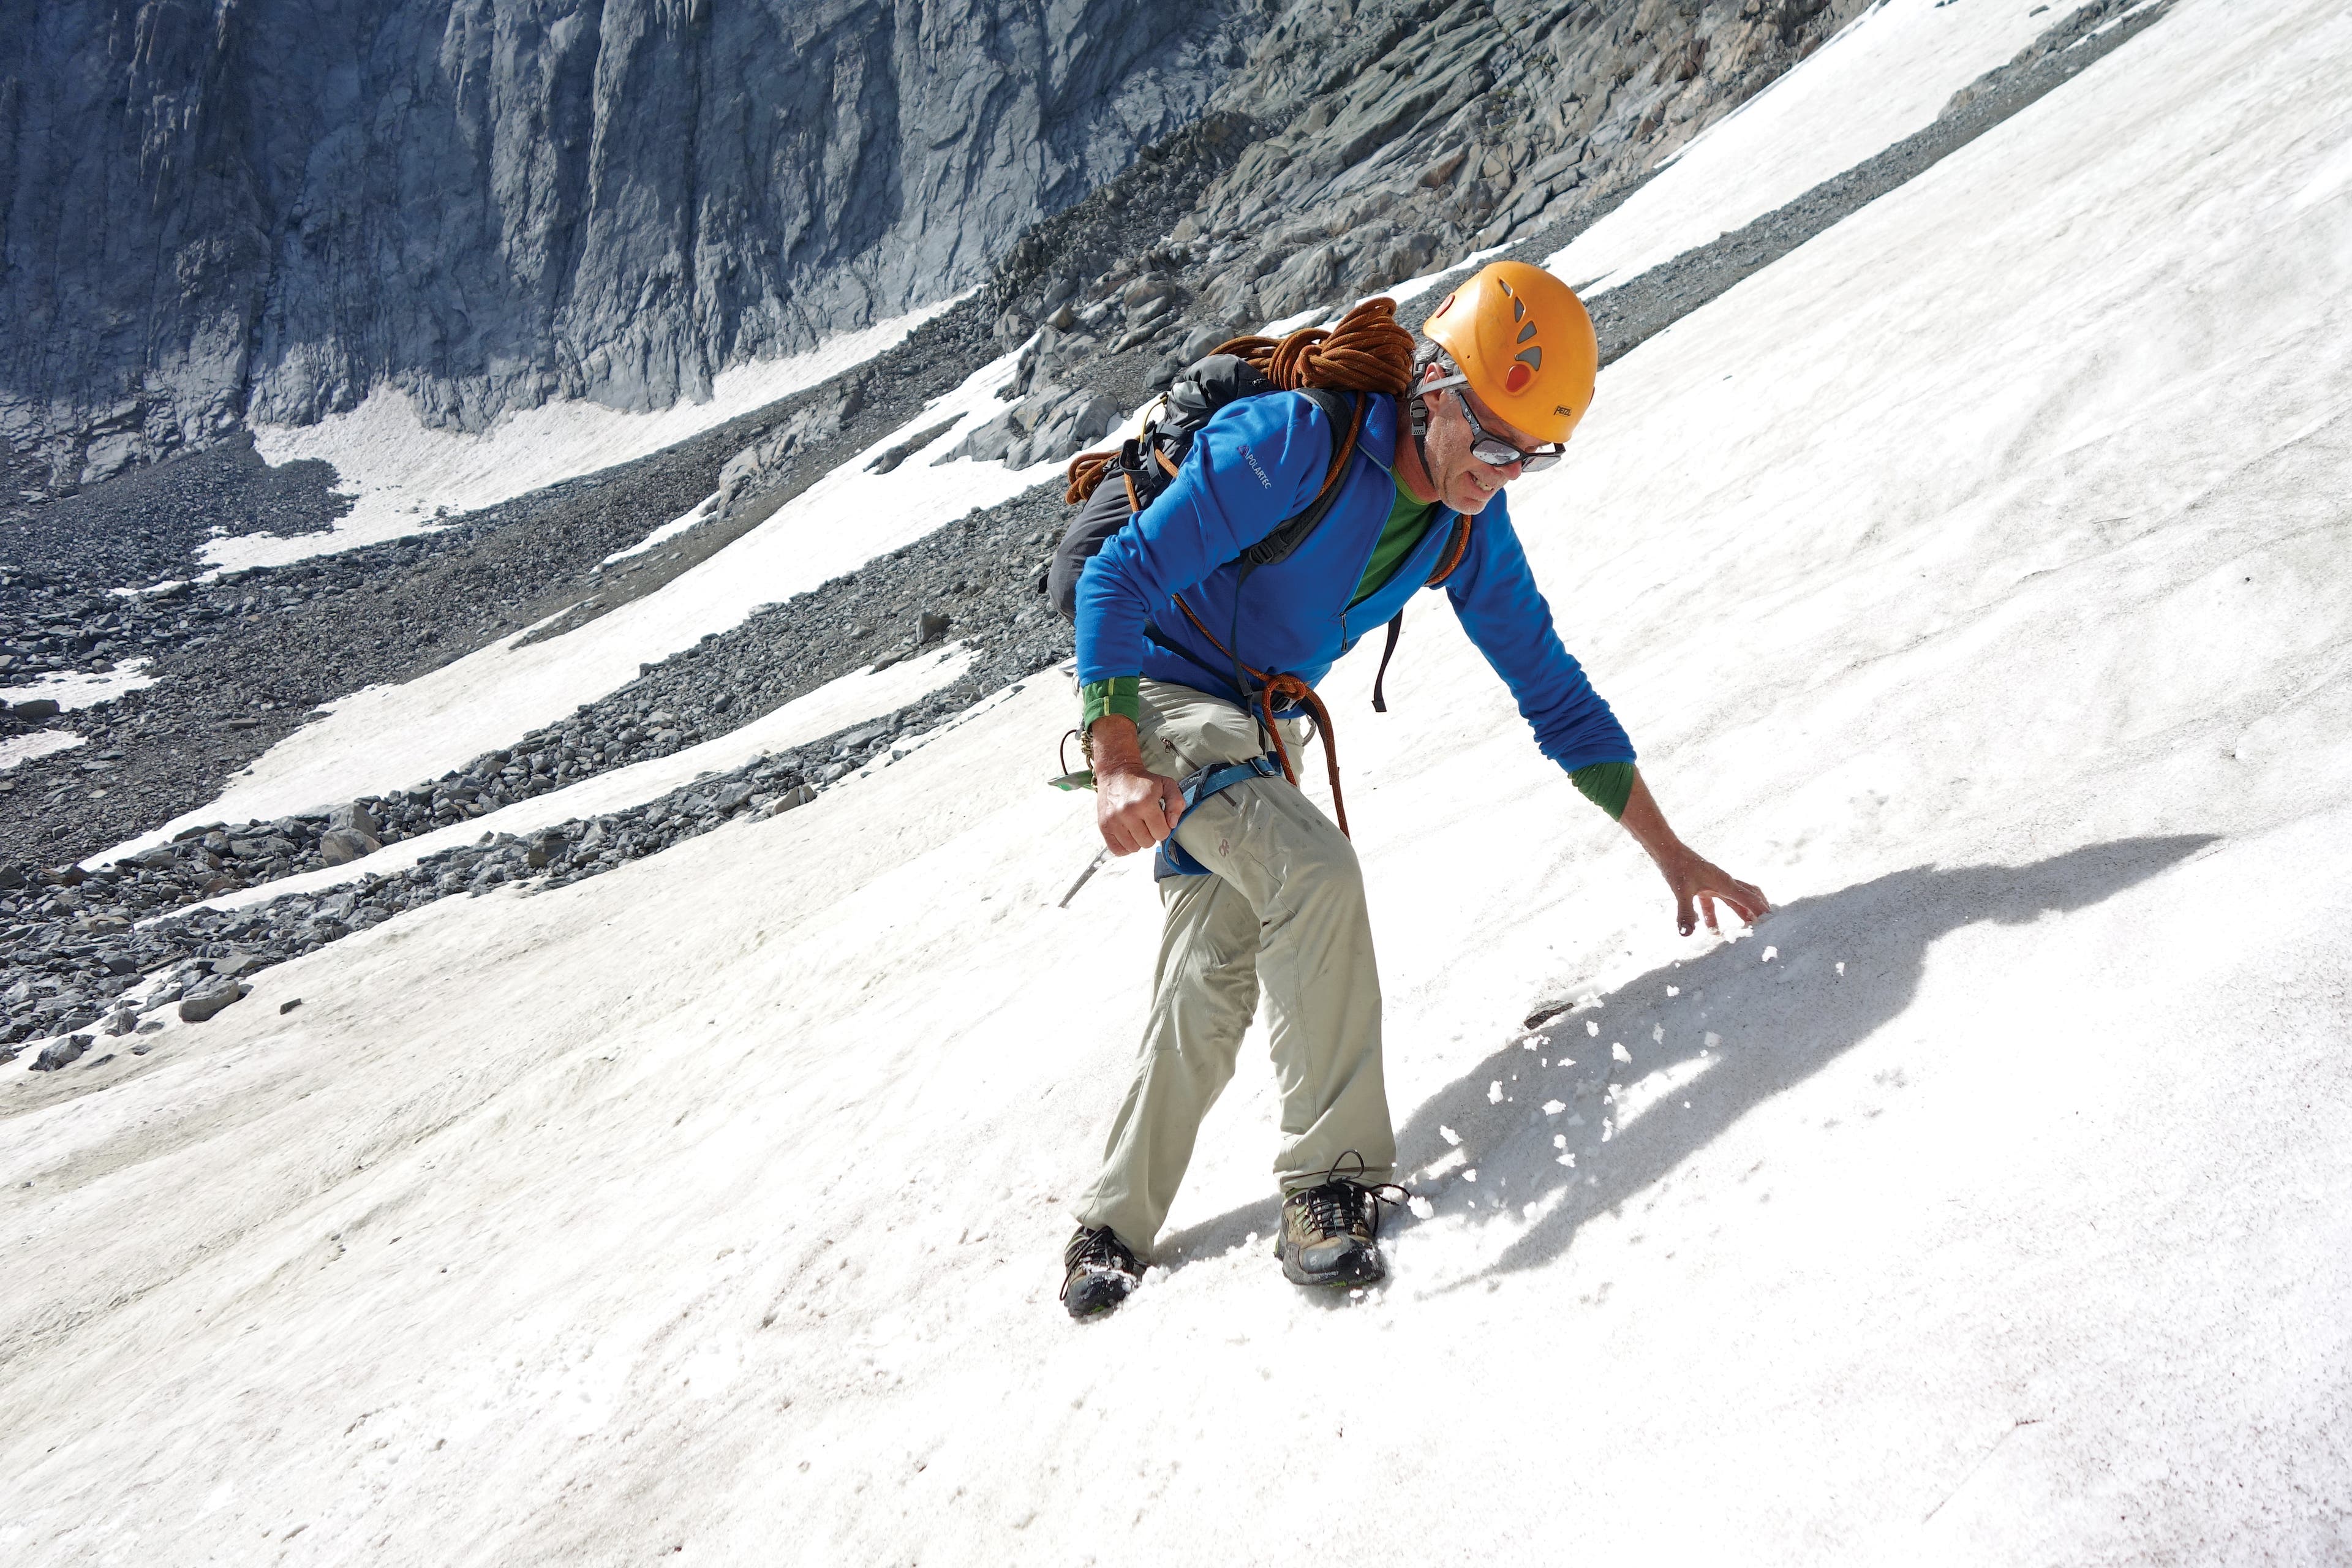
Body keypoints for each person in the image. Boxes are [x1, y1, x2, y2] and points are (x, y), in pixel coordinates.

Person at [1059, 261, 1768, 1319]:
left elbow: (1551, 689)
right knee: (1311, 874)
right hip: (1155, 689)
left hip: (1256, 724)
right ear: (1431, 388)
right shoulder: (1295, 443)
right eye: (1490, 439)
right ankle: (1331, 1187)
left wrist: (1669, 849)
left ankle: (1109, 1227)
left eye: (1532, 454)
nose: (1505, 471)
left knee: (1215, 963)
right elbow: (1118, 577)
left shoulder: (1465, 527)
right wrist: (1116, 758)